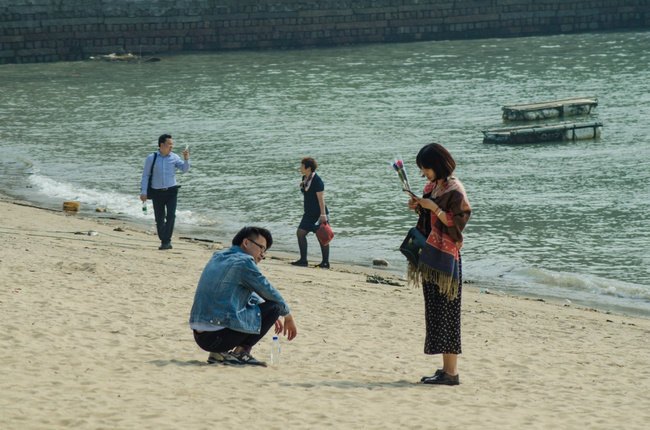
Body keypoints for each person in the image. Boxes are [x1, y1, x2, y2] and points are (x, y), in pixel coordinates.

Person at [406, 143, 471, 385]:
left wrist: (432, 206)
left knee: (449, 313)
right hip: (431, 256)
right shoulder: (432, 187)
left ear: (438, 165)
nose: (424, 173)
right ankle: (446, 370)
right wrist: (418, 207)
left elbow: (457, 223)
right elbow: (431, 219)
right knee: (436, 312)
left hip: (447, 259)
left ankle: (452, 373)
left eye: (426, 169)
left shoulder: (455, 189)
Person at [189, 226, 298, 366]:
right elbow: (269, 291)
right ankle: (241, 353)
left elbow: (234, 291)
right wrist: (287, 316)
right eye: (261, 248)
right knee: (276, 306)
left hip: (201, 335)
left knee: (268, 307)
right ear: (246, 243)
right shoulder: (244, 262)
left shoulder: (218, 256)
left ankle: (219, 354)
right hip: (217, 337)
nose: (262, 254)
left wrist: (266, 313)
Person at [140, 134, 190, 250]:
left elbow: (185, 169)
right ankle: (164, 240)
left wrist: (186, 159)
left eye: (172, 144)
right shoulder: (151, 158)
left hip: (172, 191)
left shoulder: (175, 157)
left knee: (171, 216)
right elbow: (145, 176)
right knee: (159, 218)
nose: (171, 147)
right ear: (162, 145)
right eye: (169, 144)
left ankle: (166, 241)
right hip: (157, 192)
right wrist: (143, 192)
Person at [291, 157, 330, 269]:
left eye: (302, 166)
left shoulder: (317, 180)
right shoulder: (305, 178)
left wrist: (323, 215)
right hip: (308, 213)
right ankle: (303, 260)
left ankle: (325, 263)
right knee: (300, 233)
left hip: (319, 213)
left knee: (322, 237)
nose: (300, 168)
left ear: (308, 168)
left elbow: (321, 199)